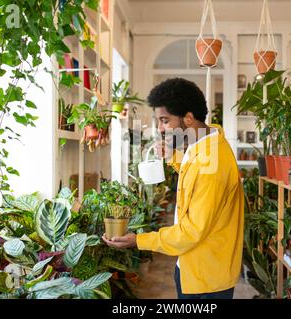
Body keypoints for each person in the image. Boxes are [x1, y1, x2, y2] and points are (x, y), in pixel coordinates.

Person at [103, 78, 244, 299]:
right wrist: (173, 157)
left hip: (206, 280)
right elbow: (194, 178)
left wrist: (138, 240)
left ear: (188, 118)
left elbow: (191, 232)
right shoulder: (206, 144)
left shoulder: (211, 168)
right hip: (193, 266)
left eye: (165, 120)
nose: (160, 128)